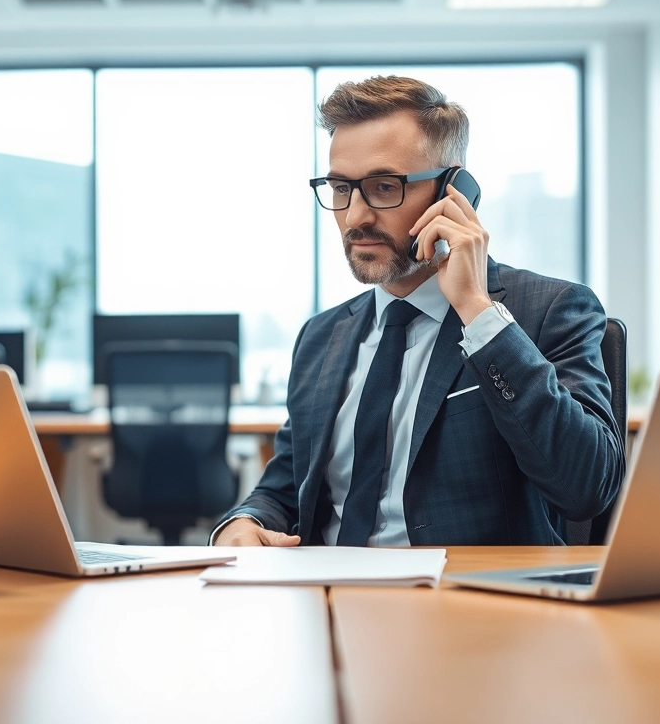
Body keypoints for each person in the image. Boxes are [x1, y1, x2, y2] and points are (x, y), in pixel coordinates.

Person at [213, 76, 625, 547]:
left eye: (384, 187)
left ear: (454, 192)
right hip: (324, 598)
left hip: (466, 605)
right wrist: (242, 524)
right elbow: (286, 486)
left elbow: (588, 488)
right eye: (341, 188)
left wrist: (478, 310)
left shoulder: (547, 311)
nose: (355, 217)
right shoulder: (322, 337)